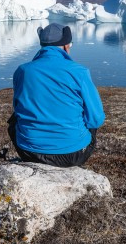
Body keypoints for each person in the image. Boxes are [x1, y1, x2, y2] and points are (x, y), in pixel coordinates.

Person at [7, 23, 105, 167]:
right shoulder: (79, 72)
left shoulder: (22, 71)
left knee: (14, 119)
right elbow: (96, 119)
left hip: (29, 152)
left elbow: (18, 108)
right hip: (72, 155)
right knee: (90, 117)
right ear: (66, 46)